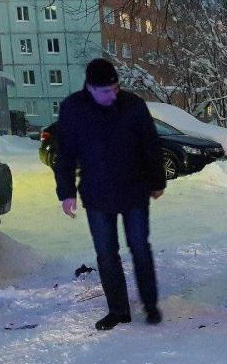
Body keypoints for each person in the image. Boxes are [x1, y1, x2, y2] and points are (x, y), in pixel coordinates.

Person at [54, 58, 166, 330]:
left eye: (115, 89)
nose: (112, 95)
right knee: (106, 254)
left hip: (134, 190)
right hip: (97, 194)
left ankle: (150, 305)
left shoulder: (133, 105)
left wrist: (157, 181)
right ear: (90, 88)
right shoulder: (73, 109)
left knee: (140, 248)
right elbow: (65, 155)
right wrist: (66, 192)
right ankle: (118, 310)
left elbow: (151, 145)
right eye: (105, 91)